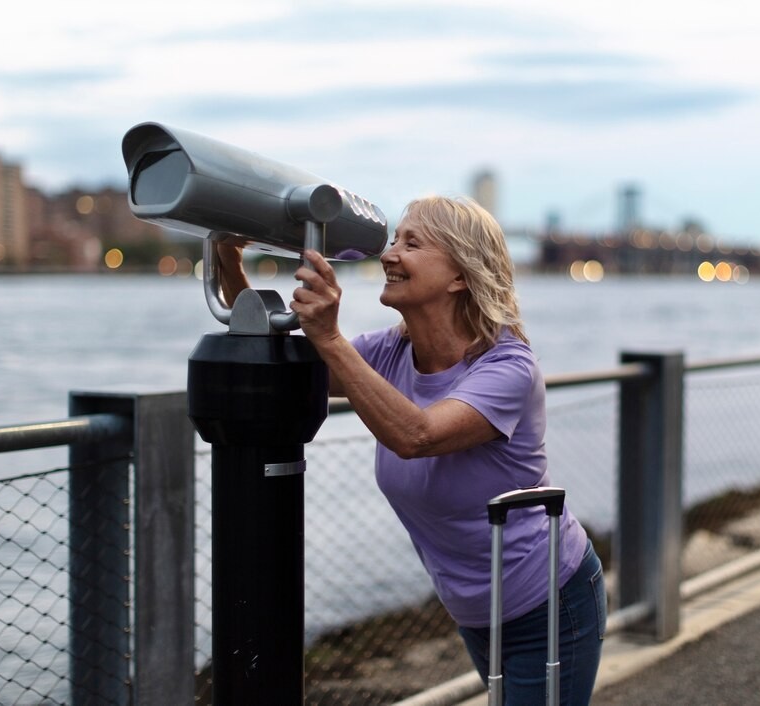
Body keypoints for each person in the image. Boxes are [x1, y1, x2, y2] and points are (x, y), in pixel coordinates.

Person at [218, 195, 606, 705]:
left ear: (461, 276)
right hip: (476, 611)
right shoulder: (391, 350)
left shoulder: (507, 368)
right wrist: (228, 261)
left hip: (549, 602)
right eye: (394, 239)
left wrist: (330, 337)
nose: (389, 254)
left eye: (413, 243)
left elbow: (416, 436)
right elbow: (286, 370)